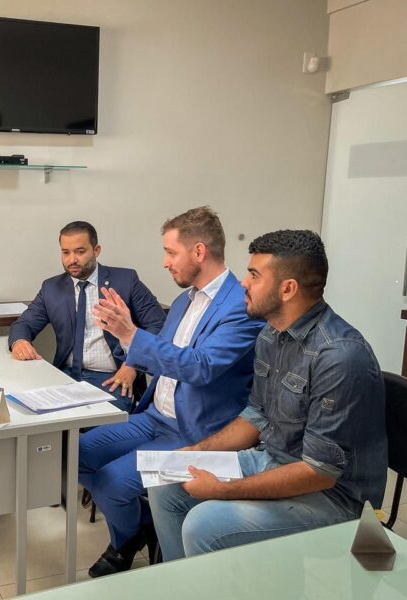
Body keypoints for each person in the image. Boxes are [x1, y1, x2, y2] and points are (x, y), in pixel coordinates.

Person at [148, 229, 388, 561]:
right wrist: (197, 452)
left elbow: (320, 472)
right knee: (166, 481)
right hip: (273, 459)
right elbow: (256, 416)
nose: (243, 283)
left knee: (203, 524)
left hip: (335, 498)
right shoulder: (271, 335)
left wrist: (224, 491)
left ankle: (208, 582)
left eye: (254, 275)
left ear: (288, 289)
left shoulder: (339, 357)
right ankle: (184, 581)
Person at [80, 207, 264, 577]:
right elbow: (161, 358)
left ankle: (125, 541)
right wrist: (124, 336)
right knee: (74, 454)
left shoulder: (241, 307)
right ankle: (140, 528)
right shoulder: (183, 302)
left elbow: (200, 366)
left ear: (199, 252)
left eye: (170, 252)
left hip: (195, 430)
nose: (164, 262)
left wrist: (132, 334)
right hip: (154, 417)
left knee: (112, 483)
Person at [8, 221, 166, 412]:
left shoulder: (126, 281)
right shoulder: (52, 288)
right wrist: (20, 342)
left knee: (97, 423)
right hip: (65, 376)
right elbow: (24, 324)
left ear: (96, 250)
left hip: (112, 377)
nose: (72, 259)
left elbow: (158, 325)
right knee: (32, 414)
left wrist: (133, 365)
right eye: (66, 252)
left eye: (80, 252)